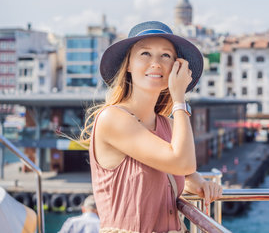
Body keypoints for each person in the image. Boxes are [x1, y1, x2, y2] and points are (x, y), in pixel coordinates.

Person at [81, 21, 222, 232]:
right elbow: (181, 162)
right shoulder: (113, 118)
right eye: (145, 54)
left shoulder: (169, 125)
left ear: (176, 66)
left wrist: (199, 182)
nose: (156, 63)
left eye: (166, 55)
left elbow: (178, 172)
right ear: (128, 65)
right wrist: (179, 100)